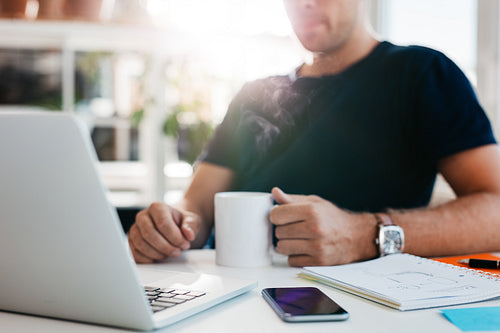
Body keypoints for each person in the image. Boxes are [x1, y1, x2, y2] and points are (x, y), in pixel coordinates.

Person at [128, 0, 500, 267]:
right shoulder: (253, 95)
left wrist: (363, 234)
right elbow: (197, 204)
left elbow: (495, 208)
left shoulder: (421, 74)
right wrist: (171, 224)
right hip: (227, 295)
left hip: (355, 307)